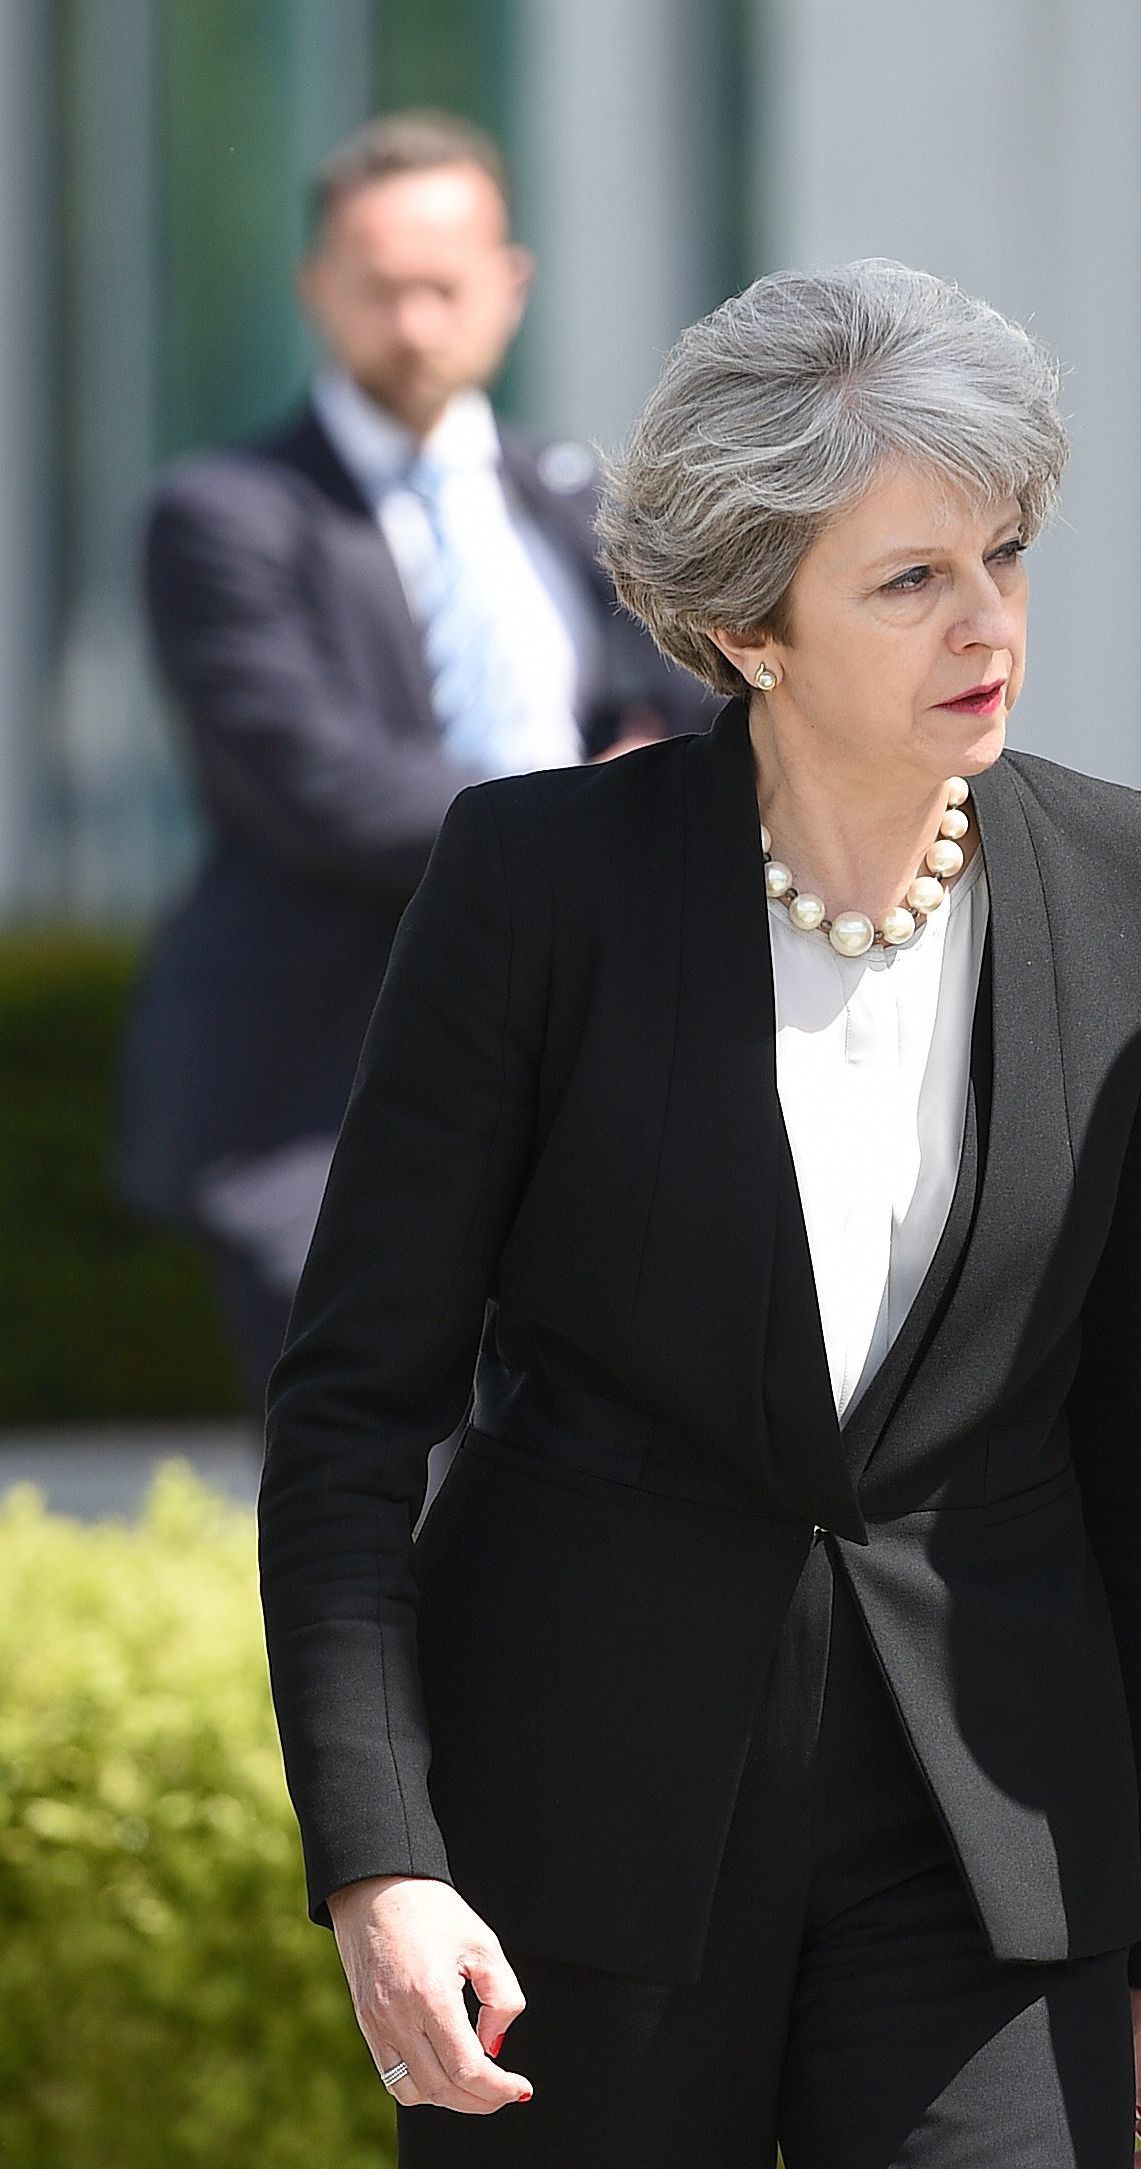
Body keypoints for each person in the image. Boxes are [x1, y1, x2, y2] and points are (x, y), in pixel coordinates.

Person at [258, 260, 1141, 2167]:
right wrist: (380, 1862)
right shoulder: (536, 883)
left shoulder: (1134, 881)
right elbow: (351, 1419)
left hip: (988, 1844)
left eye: (1006, 556)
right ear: (746, 625)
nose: (990, 625)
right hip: (583, 1834)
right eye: (910, 579)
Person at [121, 110, 712, 1408]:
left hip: (572, 1100)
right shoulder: (226, 514)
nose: (415, 319)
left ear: (510, 285)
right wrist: (592, 807)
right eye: (379, 286)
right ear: (315, 291)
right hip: (317, 1104)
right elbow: (318, 783)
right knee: (372, 1534)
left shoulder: (581, 502)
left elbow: (699, 708)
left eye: (444, 284)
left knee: (552, 1536)